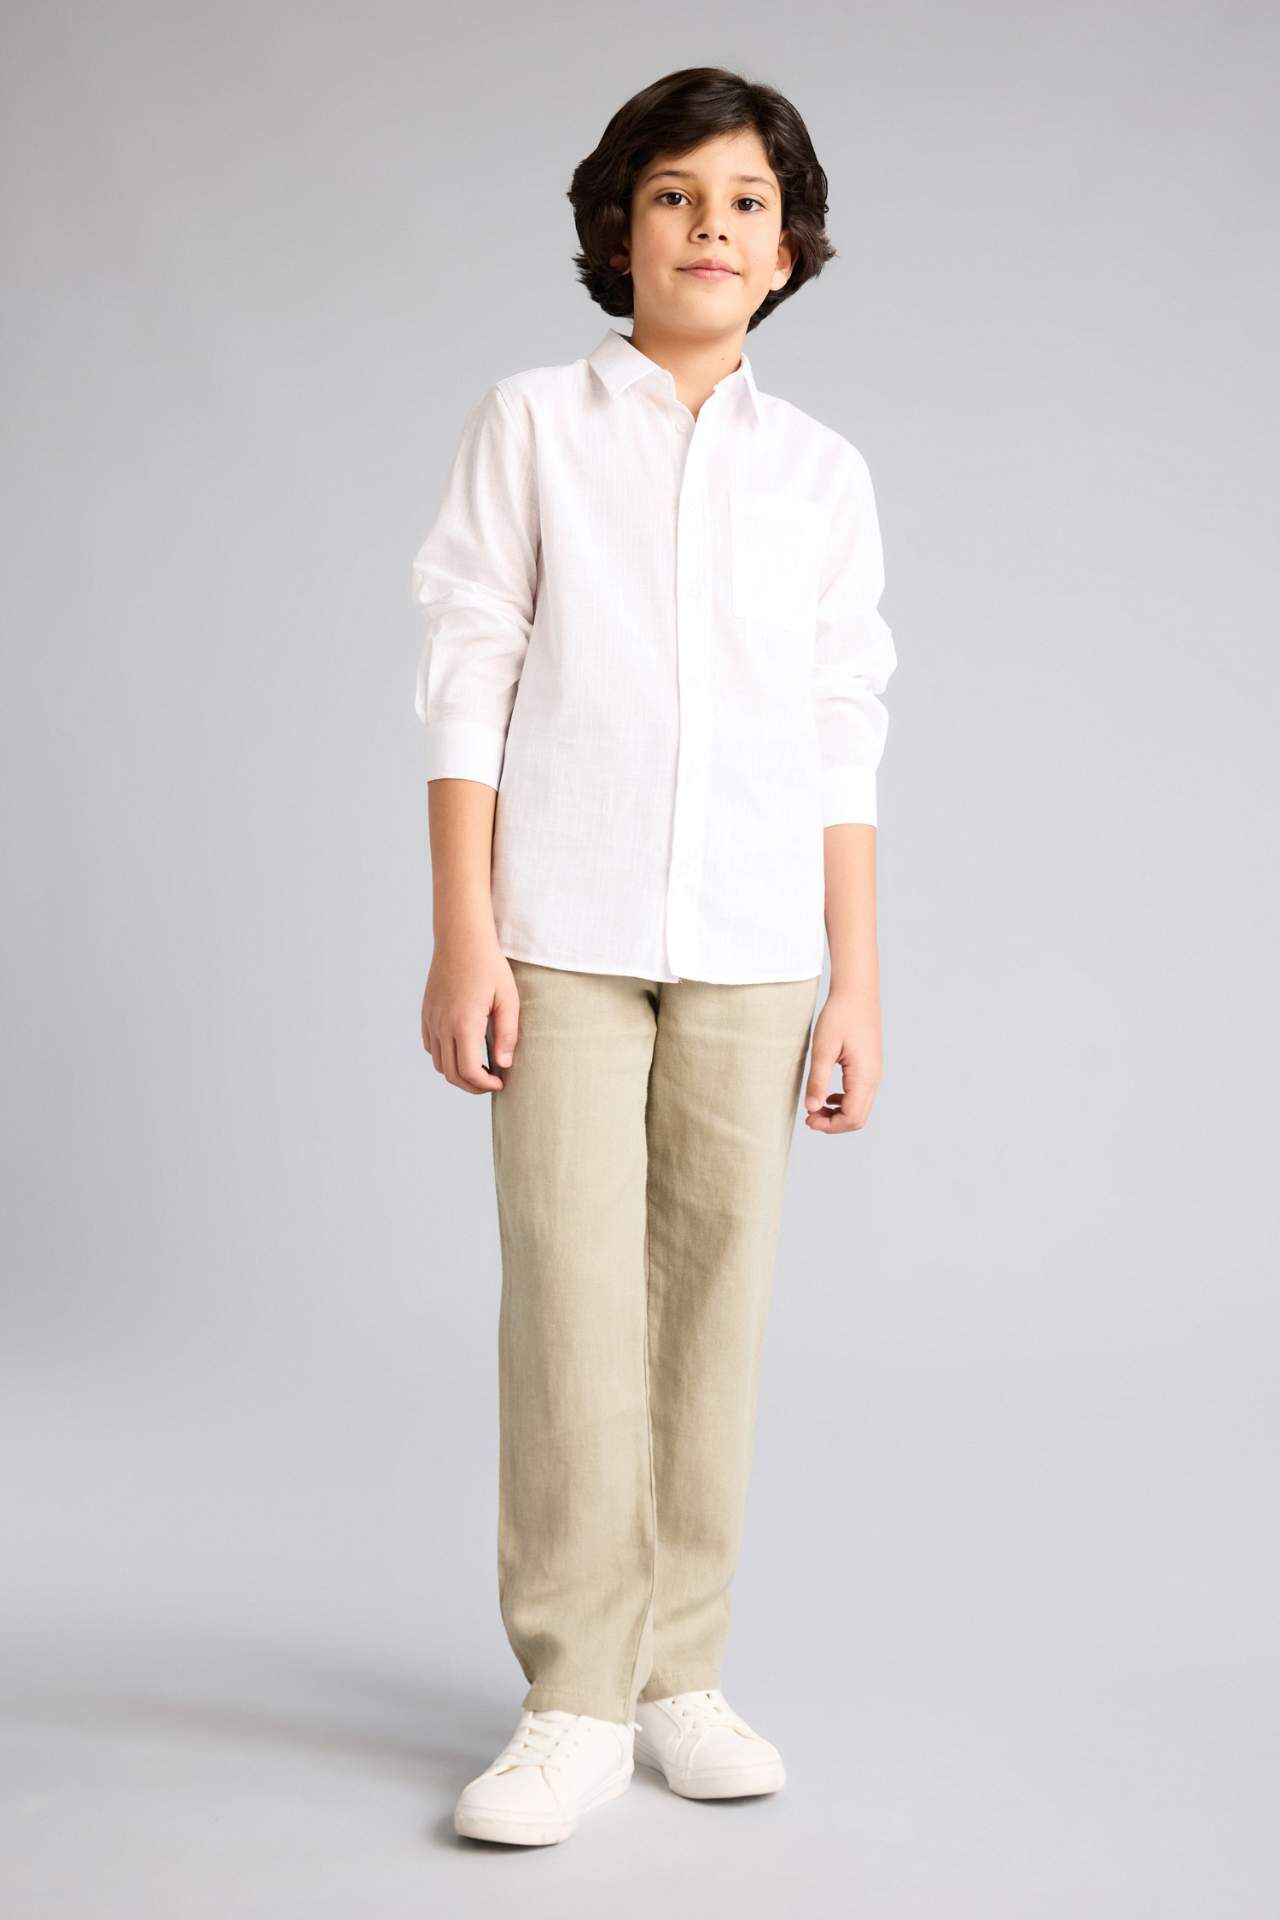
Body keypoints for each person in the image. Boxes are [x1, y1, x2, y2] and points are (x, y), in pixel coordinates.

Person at [411, 65, 897, 1847]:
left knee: (714, 1312)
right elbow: (470, 668)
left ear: (790, 246)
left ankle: (681, 1670)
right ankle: (572, 1696)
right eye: (678, 195)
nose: (712, 227)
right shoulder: (534, 423)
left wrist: (855, 981)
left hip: (758, 951)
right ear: (618, 230)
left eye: (747, 201)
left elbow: (843, 728)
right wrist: (466, 931)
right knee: (570, 1306)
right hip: (561, 934)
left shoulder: (821, 473)